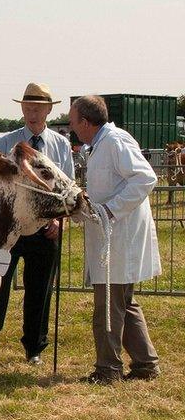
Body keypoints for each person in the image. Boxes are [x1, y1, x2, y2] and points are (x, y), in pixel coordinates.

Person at [0, 83, 75, 368]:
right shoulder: (6, 142)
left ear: (49, 111)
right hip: (9, 232)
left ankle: (35, 347)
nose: (32, 112)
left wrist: (59, 222)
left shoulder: (61, 145)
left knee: (40, 289)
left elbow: (66, 190)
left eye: (38, 108)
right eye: (27, 107)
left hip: (45, 229)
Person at [70, 95, 161, 384]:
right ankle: (146, 364)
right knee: (124, 301)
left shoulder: (115, 141)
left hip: (121, 237)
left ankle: (108, 369)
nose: (72, 128)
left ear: (85, 122)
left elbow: (145, 178)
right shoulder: (99, 145)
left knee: (108, 304)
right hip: (113, 236)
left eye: (73, 122)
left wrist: (110, 210)